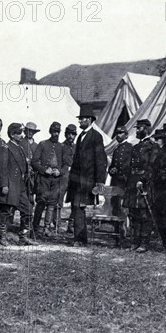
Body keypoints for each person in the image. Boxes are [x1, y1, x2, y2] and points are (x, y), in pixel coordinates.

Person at [66, 104, 107, 247]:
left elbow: (101, 160)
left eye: (82, 119)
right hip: (77, 181)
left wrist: (100, 182)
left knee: (78, 207)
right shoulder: (80, 137)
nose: (80, 122)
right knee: (76, 207)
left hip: (87, 181)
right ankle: (80, 238)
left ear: (89, 119)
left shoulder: (96, 137)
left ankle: (80, 239)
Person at [0, 123, 37, 246]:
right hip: (10, 184)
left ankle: (23, 237)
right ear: (12, 135)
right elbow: (1, 169)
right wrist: (4, 185)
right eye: (19, 133)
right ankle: (2, 237)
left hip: (21, 186)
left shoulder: (20, 148)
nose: (22, 135)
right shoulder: (5, 148)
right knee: (6, 211)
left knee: (28, 210)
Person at [123, 119, 157, 253]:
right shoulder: (136, 146)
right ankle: (134, 242)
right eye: (137, 129)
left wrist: (143, 180)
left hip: (144, 183)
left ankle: (144, 243)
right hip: (133, 181)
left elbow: (152, 166)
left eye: (139, 128)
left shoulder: (152, 147)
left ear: (147, 129)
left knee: (144, 214)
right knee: (133, 213)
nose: (137, 131)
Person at [32, 122, 64, 237]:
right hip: (44, 179)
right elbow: (34, 162)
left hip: (55, 181)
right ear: (50, 132)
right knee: (41, 203)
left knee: (51, 205)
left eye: (58, 132)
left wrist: (59, 171)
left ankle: (46, 228)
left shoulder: (61, 147)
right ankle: (34, 228)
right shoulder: (43, 144)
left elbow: (66, 165)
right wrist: (44, 170)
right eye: (54, 131)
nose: (56, 134)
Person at [108, 125, 132, 218]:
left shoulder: (130, 148)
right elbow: (112, 165)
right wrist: (111, 170)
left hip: (124, 182)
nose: (118, 135)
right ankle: (116, 228)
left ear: (126, 135)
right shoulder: (116, 149)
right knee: (115, 204)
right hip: (115, 181)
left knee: (123, 206)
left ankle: (124, 229)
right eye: (117, 133)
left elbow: (131, 165)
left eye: (120, 133)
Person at [59, 124, 77, 232]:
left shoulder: (77, 147)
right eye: (69, 134)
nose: (71, 136)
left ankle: (71, 224)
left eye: (73, 134)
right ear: (65, 134)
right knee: (59, 199)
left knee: (75, 201)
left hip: (74, 176)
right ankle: (56, 223)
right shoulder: (60, 146)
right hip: (64, 176)